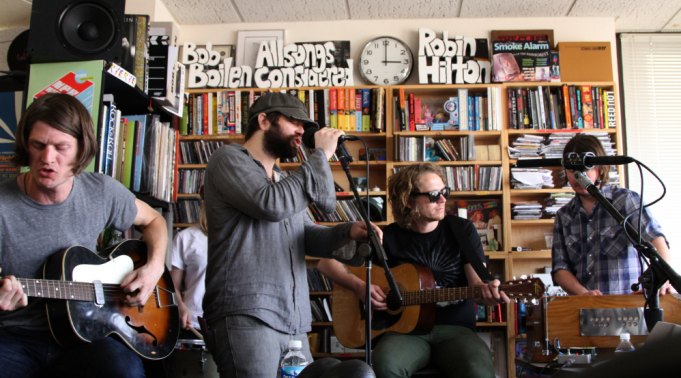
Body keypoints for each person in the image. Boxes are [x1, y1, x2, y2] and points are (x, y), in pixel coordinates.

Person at [202, 92, 382, 378]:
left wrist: (348, 231)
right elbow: (270, 204)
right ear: (263, 121)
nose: (302, 131)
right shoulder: (228, 160)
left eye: (305, 125)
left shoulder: (285, 179)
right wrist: (320, 154)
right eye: (294, 122)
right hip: (247, 313)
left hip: (292, 319)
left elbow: (306, 236)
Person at [0, 93, 168, 377]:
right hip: (16, 337)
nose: (47, 158)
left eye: (61, 147)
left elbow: (154, 220)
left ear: (81, 150)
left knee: (123, 370)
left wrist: (154, 268)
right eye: (37, 145)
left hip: (88, 336)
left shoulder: (100, 191)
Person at [317, 163, 509, 378]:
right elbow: (325, 262)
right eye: (435, 195)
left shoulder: (462, 230)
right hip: (403, 331)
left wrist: (489, 294)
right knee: (385, 367)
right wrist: (360, 286)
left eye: (445, 192)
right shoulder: (384, 236)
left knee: (479, 371)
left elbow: (478, 287)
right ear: (408, 201)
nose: (444, 200)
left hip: (456, 330)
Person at [552, 133, 672, 296]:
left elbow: (656, 240)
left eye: (585, 169)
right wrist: (584, 294)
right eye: (572, 170)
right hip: (585, 311)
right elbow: (560, 267)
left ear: (600, 170)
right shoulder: (563, 216)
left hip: (629, 307)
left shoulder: (626, 201)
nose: (577, 177)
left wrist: (661, 279)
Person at [170, 186, 208, 335]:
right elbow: (173, 287)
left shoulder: (242, 238)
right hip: (193, 324)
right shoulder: (184, 238)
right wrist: (180, 306)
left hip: (231, 328)